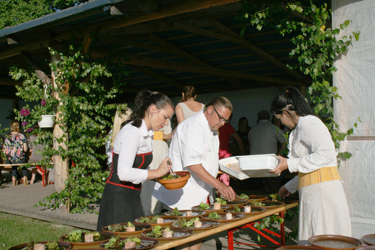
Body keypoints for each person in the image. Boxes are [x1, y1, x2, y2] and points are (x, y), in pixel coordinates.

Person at [269, 87, 351, 245]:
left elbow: (326, 155)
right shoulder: (298, 129)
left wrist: (289, 163)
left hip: (323, 193)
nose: (280, 122)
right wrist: (290, 186)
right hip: (313, 191)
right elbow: (309, 165)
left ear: (286, 113)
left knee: (324, 236)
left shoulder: (309, 123)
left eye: (279, 117)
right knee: (315, 235)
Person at [96, 90, 174, 231]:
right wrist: (155, 172)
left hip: (133, 197)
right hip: (118, 198)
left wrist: (160, 175)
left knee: (133, 240)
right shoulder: (132, 133)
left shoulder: (147, 134)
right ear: (152, 110)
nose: (167, 122)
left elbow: (139, 168)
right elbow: (124, 173)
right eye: (165, 117)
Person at [140, 120, 172, 216]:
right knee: (151, 178)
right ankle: (150, 209)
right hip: (154, 146)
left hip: (162, 147)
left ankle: (161, 205)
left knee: (163, 177)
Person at [2, 121, 28, 186]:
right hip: (21, 158)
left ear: (11, 127)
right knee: (24, 163)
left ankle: (14, 177)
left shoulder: (7, 137)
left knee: (14, 164)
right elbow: (25, 149)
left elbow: (5, 150)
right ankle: (25, 176)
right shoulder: (22, 136)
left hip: (10, 159)